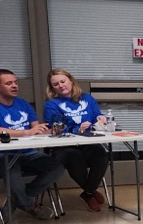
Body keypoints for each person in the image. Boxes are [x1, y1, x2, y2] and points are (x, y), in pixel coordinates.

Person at [43, 69, 110, 212]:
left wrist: (100, 120)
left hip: (87, 142)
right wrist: (76, 129)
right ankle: (90, 191)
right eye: (56, 84)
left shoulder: (87, 98)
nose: (60, 86)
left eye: (63, 81)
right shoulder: (51, 104)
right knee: (73, 157)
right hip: (64, 145)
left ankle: (88, 193)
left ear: (71, 81)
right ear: (52, 88)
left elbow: (96, 116)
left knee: (101, 155)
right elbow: (55, 128)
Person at [0, 68, 63, 221]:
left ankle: (17, 200)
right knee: (12, 173)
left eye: (15, 82)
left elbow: (35, 127)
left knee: (56, 167)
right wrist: (26, 132)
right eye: (9, 83)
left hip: (28, 153)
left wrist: (46, 131)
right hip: (4, 155)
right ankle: (29, 205)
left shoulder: (23, 104)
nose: (15, 86)